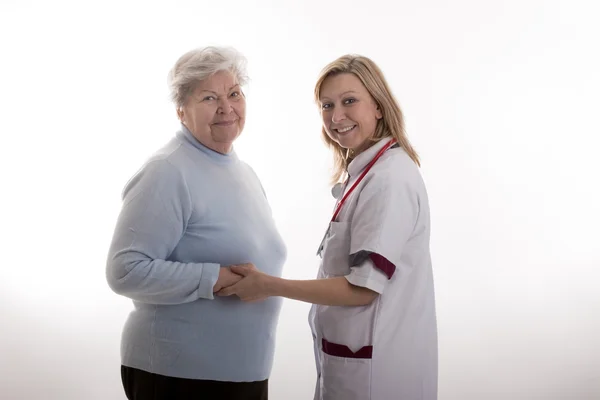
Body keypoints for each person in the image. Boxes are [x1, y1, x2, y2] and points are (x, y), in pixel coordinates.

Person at [218, 54, 438, 399]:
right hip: (355, 364)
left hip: (375, 376)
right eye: (326, 105)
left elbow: (363, 289)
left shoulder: (389, 180)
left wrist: (268, 285)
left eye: (349, 101)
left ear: (378, 106)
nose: (336, 117)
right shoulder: (368, 172)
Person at [105, 46, 286, 400]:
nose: (226, 107)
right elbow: (124, 270)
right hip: (180, 375)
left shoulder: (243, 172)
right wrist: (214, 279)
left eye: (234, 93)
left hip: (242, 372)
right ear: (181, 111)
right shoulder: (168, 171)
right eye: (209, 97)